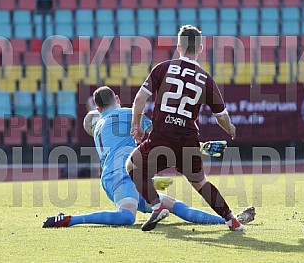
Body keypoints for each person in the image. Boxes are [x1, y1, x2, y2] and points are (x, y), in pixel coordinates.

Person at [42, 86, 255, 228]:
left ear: (98, 108)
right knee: (127, 217)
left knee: (174, 206)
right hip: (122, 174)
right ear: (117, 99)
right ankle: (70, 219)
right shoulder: (128, 114)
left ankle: (230, 219)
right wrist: (199, 146)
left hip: (114, 178)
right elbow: (164, 138)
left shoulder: (98, 124)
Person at [127, 25, 247, 231]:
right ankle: (231, 220)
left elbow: (140, 98)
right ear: (200, 48)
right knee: (201, 183)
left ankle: (157, 206)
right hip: (188, 141)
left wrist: (136, 125)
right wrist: (231, 129)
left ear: (178, 47)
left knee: (133, 166)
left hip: (161, 137)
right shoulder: (205, 79)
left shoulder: (162, 68)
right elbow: (221, 117)